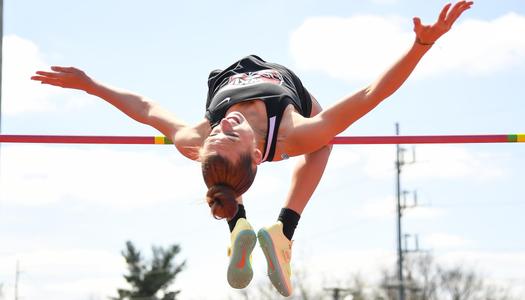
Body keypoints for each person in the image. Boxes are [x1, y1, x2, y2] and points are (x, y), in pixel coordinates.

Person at [31, 1, 473, 296]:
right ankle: (283, 230)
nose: (224, 123)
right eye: (230, 132)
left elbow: (145, 107)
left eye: (219, 130)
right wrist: (422, 45)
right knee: (324, 141)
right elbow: (372, 93)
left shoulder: (201, 137)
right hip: (285, 87)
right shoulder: (295, 130)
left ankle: (239, 227)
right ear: (259, 153)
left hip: (225, 78)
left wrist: (90, 86)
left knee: (213, 160)